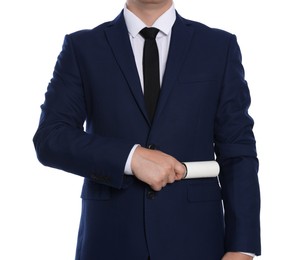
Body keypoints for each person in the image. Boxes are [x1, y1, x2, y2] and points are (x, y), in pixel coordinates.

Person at [33, 0, 261, 259]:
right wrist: (130, 158)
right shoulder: (82, 48)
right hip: (110, 240)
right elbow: (51, 137)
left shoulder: (218, 47)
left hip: (197, 241)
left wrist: (242, 247)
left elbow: (238, 150)